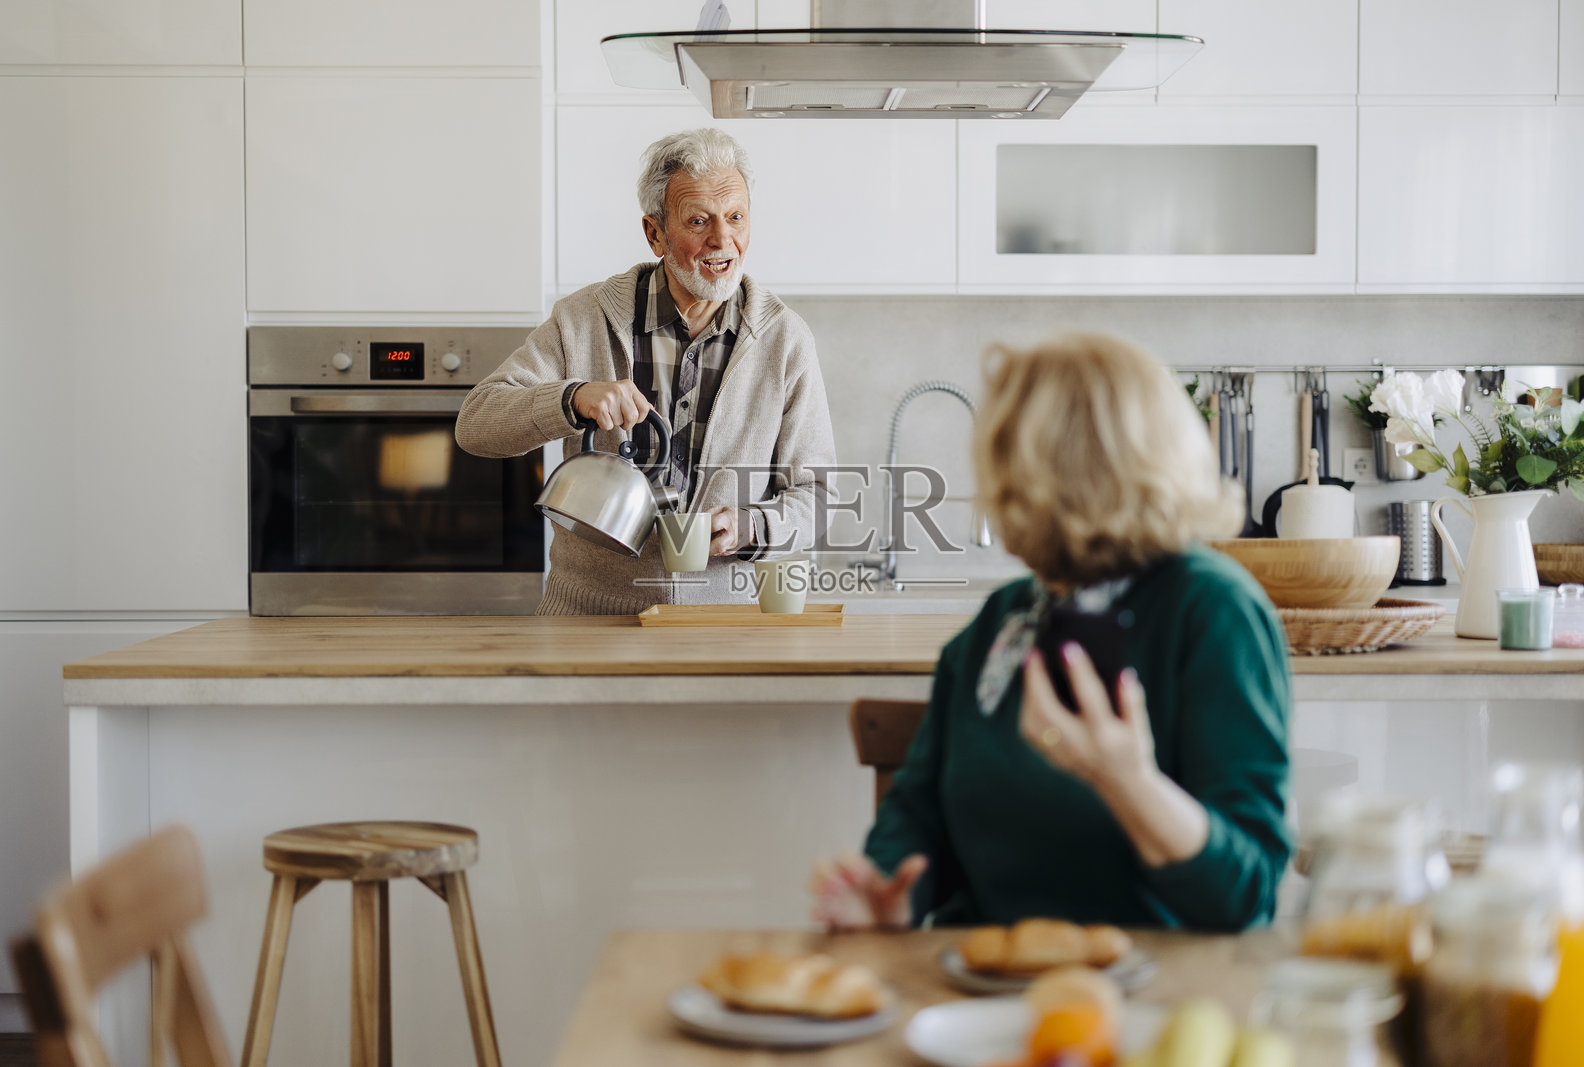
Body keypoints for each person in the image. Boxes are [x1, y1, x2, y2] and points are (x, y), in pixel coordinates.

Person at [810, 333, 1292, 931]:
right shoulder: (1005, 618)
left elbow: (1247, 898)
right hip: (982, 981)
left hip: (1153, 996)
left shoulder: (1213, 610)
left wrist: (1129, 782)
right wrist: (889, 892)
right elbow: (921, 806)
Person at [455, 128, 836, 615]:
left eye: (736, 217)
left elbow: (819, 494)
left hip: (722, 628)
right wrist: (570, 399)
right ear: (654, 233)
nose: (723, 241)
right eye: (698, 221)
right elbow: (476, 424)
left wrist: (753, 527)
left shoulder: (785, 339)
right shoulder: (583, 318)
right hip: (588, 619)